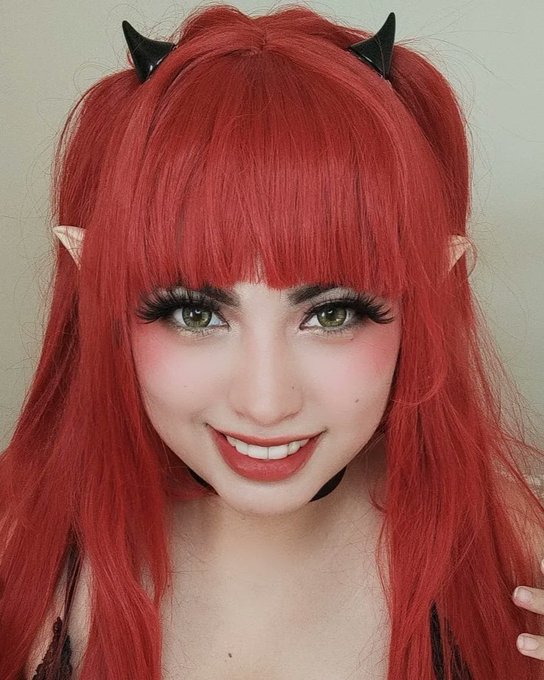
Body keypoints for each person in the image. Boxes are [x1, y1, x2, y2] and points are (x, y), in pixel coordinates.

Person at [1, 4, 543, 679]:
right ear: (96, 288)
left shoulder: (517, 557)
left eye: (333, 314)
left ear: (429, 290)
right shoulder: (19, 545)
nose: (265, 404)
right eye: (195, 314)